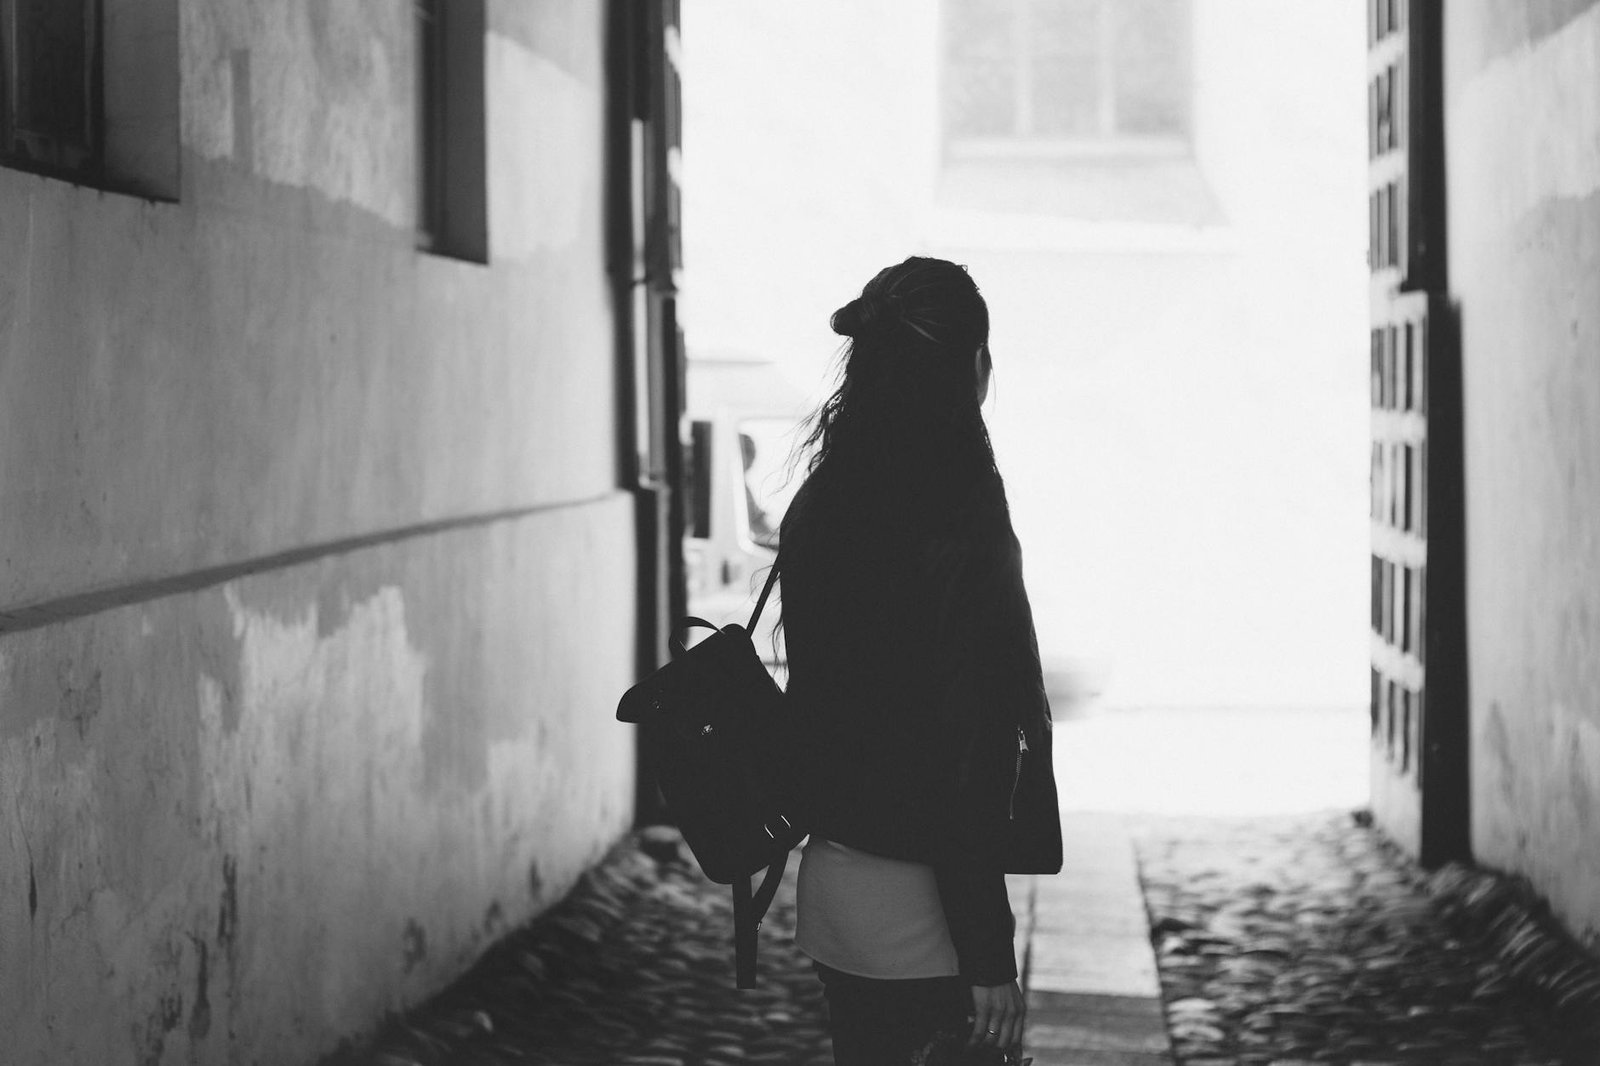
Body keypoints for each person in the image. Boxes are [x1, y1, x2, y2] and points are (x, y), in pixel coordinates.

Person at [775, 256, 1062, 1065]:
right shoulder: (955, 515)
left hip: (837, 887)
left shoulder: (824, 499)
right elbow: (958, 749)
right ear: (972, 364)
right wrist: (988, 950)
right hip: (924, 914)